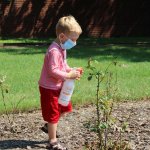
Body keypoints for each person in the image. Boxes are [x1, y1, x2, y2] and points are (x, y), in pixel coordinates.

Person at [38, 15, 83, 150]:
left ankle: (48, 127)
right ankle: (52, 142)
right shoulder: (54, 51)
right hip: (49, 88)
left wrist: (73, 70)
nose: (74, 43)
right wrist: (68, 75)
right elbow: (53, 71)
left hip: (59, 86)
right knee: (53, 114)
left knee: (64, 108)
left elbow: (63, 65)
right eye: (73, 40)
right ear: (62, 37)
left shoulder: (62, 49)